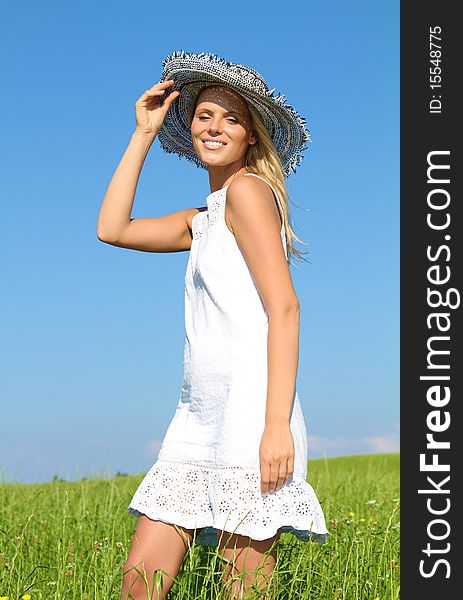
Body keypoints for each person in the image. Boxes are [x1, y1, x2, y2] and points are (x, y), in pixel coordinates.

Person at [97, 50, 329, 600]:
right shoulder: (202, 218)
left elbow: (286, 309)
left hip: (251, 414)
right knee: (140, 584)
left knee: (241, 590)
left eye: (231, 118)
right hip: (197, 414)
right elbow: (112, 228)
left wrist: (275, 426)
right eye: (204, 115)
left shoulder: (247, 192)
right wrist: (143, 134)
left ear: (251, 136)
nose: (215, 127)